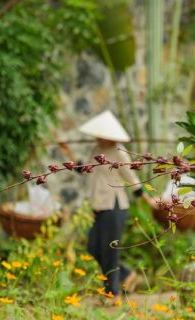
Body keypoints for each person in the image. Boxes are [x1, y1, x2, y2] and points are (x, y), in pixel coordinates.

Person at [59, 110, 156, 299]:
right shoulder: (96, 151)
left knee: (110, 252)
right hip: (99, 207)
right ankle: (127, 274)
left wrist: (148, 200)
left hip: (115, 208)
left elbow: (132, 179)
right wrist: (67, 153)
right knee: (93, 248)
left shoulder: (119, 153)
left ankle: (112, 295)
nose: (97, 138)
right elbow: (84, 170)